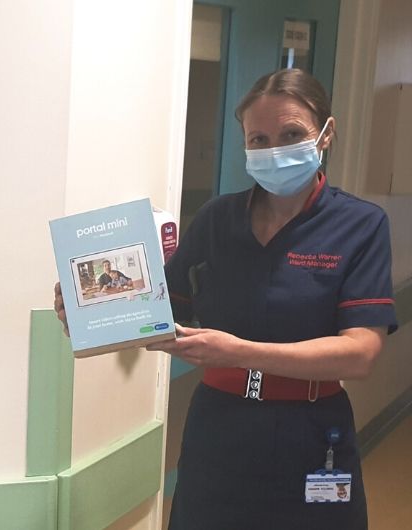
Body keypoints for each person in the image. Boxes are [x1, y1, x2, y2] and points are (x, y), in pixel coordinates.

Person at [54, 69, 397, 529]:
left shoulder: (360, 225)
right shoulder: (218, 219)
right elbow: (160, 312)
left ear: (326, 134)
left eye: (291, 135)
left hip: (312, 433)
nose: (274, 150)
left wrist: (238, 352)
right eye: (259, 139)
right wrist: (90, 310)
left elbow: (360, 353)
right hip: (219, 430)